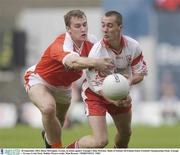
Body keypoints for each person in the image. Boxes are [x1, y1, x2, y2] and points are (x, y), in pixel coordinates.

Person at [23, 10, 113, 148]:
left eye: (84, 24)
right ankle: (56, 149)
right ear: (68, 29)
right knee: (48, 108)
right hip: (40, 80)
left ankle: (48, 137)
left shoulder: (92, 42)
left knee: (59, 121)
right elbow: (73, 62)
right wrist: (95, 62)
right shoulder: (61, 44)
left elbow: (101, 67)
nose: (83, 29)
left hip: (64, 87)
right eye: (77, 26)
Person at [67, 10, 147, 148]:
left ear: (120, 27)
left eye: (109, 26)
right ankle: (66, 151)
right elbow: (97, 86)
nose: (105, 29)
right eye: (103, 25)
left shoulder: (133, 46)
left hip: (121, 94)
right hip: (95, 94)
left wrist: (129, 82)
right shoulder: (96, 52)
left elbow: (140, 74)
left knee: (125, 134)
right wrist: (113, 101)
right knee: (100, 141)